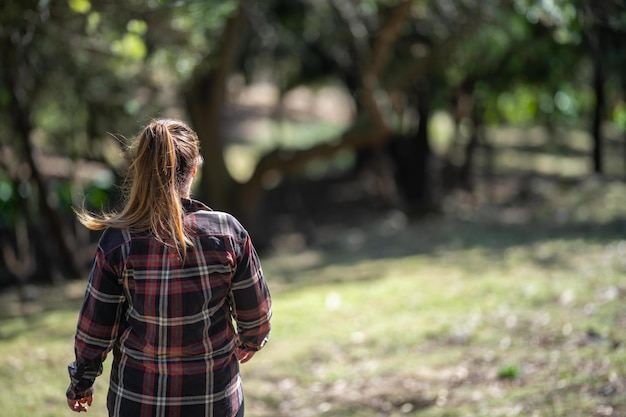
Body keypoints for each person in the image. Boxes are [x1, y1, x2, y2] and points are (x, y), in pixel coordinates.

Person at [66, 118, 272, 417]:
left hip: (137, 402)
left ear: (142, 171)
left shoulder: (118, 241)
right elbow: (256, 315)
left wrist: (81, 382)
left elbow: (95, 329)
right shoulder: (228, 233)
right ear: (194, 169)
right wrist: (251, 340)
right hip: (214, 402)